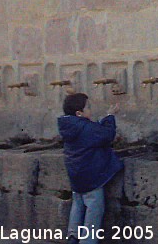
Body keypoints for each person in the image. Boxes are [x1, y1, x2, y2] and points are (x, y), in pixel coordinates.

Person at [58, 93, 123, 244]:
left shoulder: (70, 126)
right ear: (79, 113)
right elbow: (105, 135)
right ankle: (88, 240)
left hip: (76, 176)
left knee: (78, 205)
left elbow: (91, 130)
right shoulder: (84, 127)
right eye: (88, 107)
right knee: (94, 211)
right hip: (91, 178)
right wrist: (110, 116)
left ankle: (73, 236)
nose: (91, 110)